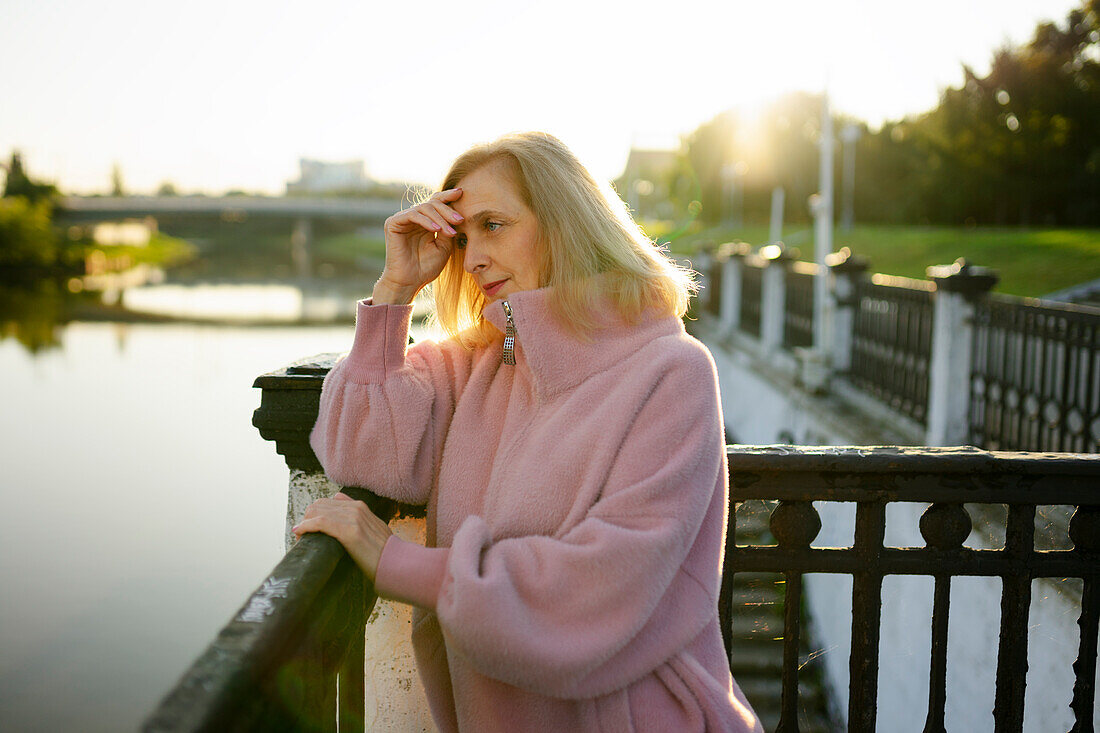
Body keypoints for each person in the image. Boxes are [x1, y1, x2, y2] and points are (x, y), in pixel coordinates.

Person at [295, 132, 763, 732]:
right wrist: (393, 294)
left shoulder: (671, 371)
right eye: (464, 237)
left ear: (567, 224)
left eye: (495, 225)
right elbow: (362, 456)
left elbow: (603, 582)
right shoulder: (485, 360)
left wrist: (399, 564)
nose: (472, 258)